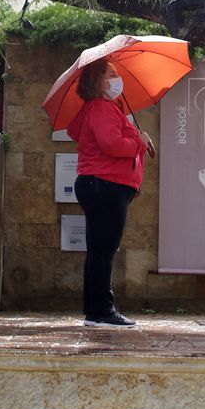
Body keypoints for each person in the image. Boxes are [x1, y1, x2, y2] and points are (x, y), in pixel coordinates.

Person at [67, 58, 155, 328]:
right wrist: (138, 142)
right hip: (105, 185)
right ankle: (103, 311)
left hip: (101, 185)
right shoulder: (102, 108)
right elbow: (111, 144)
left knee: (99, 249)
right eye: (112, 74)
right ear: (99, 81)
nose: (118, 79)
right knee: (104, 250)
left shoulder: (100, 108)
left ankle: (96, 311)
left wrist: (137, 140)